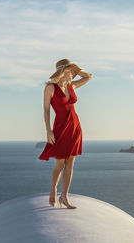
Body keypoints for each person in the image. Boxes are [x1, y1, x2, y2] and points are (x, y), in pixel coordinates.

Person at [39, 58, 93, 209]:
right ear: (63, 72)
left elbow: (88, 76)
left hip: (75, 128)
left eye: (73, 72)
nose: (73, 75)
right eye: (70, 72)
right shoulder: (50, 88)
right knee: (60, 163)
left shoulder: (72, 86)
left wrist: (75, 68)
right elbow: (46, 110)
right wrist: (48, 131)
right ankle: (54, 189)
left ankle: (64, 196)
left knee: (70, 164)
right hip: (60, 128)